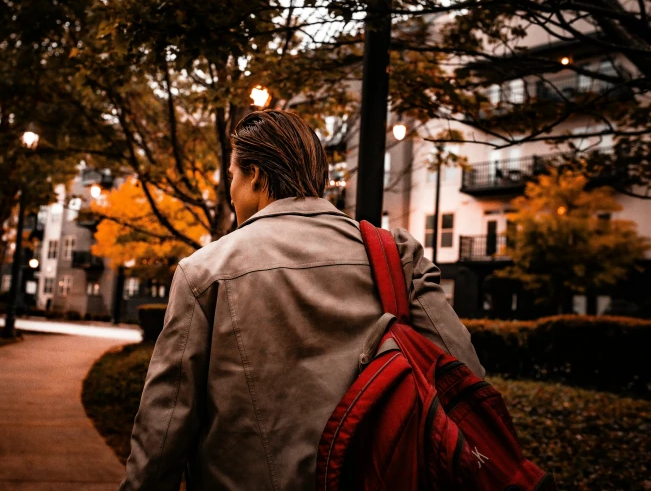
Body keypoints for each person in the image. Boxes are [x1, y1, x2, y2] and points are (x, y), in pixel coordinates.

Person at [120, 110, 484, 491]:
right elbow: (466, 378)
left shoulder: (204, 273)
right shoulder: (397, 255)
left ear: (256, 174)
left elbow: (162, 436)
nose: (230, 192)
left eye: (232, 176)